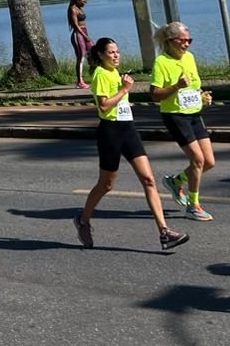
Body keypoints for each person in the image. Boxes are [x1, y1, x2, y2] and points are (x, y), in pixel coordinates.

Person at [75, 36, 189, 252]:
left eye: (117, 52)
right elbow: (105, 106)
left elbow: (118, 103)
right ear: (100, 55)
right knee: (106, 185)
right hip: (110, 132)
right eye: (111, 52)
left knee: (148, 179)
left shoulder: (116, 73)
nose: (116, 56)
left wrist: (125, 96)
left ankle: (164, 232)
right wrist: (125, 90)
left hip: (128, 129)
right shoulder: (100, 74)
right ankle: (83, 220)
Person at [150, 21, 216, 222]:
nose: (187, 44)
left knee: (209, 162)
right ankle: (193, 206)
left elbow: (194, 86)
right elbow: (155, 95)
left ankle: (176, 182)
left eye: (190, 40)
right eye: (183, 41)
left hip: (194, 114)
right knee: (197, 160)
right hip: (175, 116)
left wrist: (202, 96)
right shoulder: (161, 62)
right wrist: (176, 86)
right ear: (171, 41)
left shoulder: (190, 58)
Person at [68, 0, 94, 88]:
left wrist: (86, 35)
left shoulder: (79, 8)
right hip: (78, 34)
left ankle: (94, 74)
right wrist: (84, 35)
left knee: (93, 51)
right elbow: (75, 25)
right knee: (81, 57)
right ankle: (80, 82)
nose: (85, 2)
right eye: (83, 0)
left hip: (84, 33)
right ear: (77, 0)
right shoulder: (73, 9)